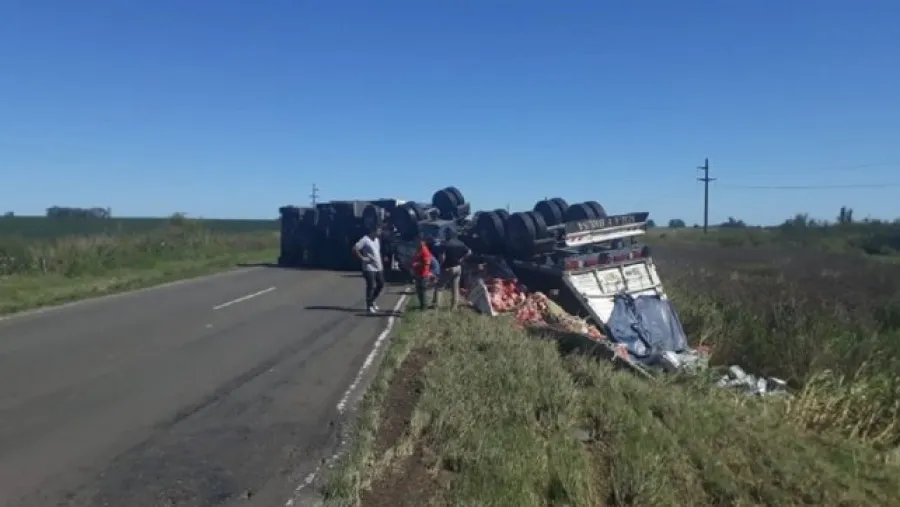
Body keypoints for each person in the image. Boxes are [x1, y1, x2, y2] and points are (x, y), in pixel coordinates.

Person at [432, 228, 471, 310]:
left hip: (447, 267)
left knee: (439, 287)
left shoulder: (445, 244)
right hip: (458, 268)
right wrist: (462, 259)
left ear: (447, 235)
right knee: (455, 288)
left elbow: (442, 256)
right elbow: (469, 252)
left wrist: (441, 265)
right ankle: (454, 307)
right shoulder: (460, 243)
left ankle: (436, 306)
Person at [353, 225, 385, 314]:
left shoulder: (377, 240)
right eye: (378, 231)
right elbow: (355, 248)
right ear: (373, 231)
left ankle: (372, 300)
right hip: (369, 267)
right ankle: (369, 306)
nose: (379, 233)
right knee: (371, 286)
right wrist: (362, 258)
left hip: (378, 266)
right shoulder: (365, 239)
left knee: (381, 284)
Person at [410, 238, 438, 310]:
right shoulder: (418, 250)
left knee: (422, 291)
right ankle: (422, 305)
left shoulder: (424, 251)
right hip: (418, 273)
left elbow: (427, 263)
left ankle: (424, 307)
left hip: (423, 274)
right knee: (419, 290)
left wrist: (417, 264)